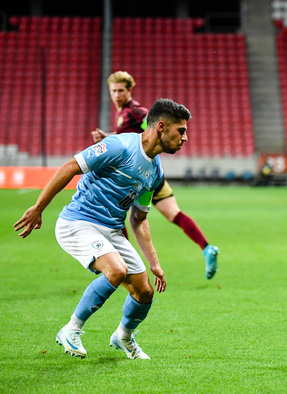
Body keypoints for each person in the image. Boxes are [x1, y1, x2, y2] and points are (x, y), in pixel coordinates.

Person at [14, 99, 191, 359]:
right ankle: (71, 330)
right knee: (116, 269)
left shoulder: (154, 170)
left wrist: (154, 263)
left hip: (110, 230)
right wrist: (39, 207)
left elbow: (139, 219)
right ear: (162, 127)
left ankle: (123, 337)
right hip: (78, 222)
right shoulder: (120, 145)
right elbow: (70, 167)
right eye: (181, 131)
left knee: (144, 291)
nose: (185, 138)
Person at [92, 71, 219, 279]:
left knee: (120, 211)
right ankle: (206, 247)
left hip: (140, 174)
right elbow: (135, 135)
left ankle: (123, 262)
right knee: (173, 214)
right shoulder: (124, 114)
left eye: (120, 90)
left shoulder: (134, 111)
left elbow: (150, 127)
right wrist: (108, 136)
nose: (116, 95)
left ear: (129, 90)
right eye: (113, 91)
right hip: (151, 172)